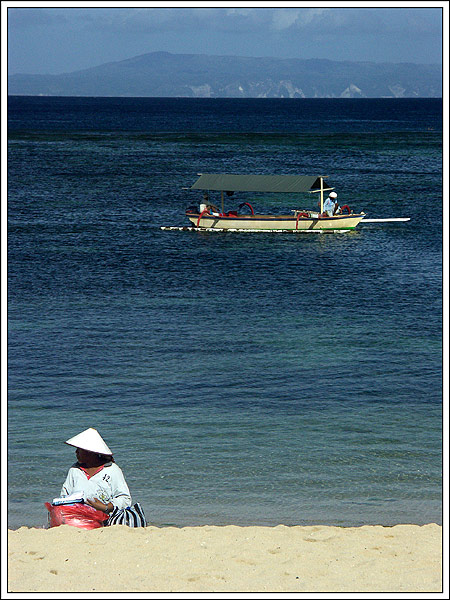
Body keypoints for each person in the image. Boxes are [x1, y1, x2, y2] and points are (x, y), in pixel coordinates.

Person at [60, 427, 131, 515]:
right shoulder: (75, 470)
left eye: (80, 450)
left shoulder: (112, 470)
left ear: (90, 452)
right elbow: (64, 495)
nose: (76, 452)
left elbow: (124, 498)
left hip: (105, 517)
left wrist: (106, 507)